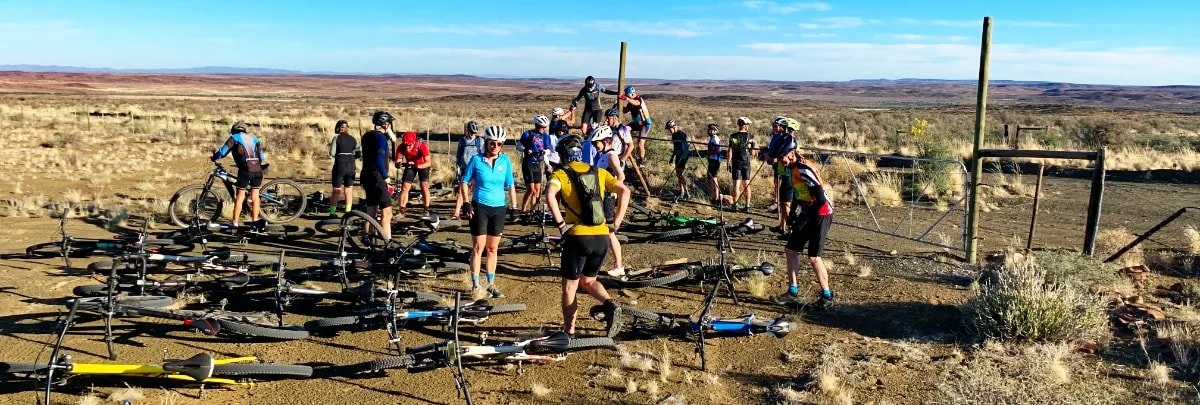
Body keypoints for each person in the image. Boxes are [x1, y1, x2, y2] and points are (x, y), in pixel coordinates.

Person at [546, 133, 628, 337]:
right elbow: (624, 191)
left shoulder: (561, 174)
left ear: (563, 154)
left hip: (577, 237)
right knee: (589, 281)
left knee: (570, 287)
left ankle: (569, 331)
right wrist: (616, 222)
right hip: (601, 237)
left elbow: (549, 195)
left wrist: (561, 225)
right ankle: (610, 305)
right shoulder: (598, 171)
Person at [770, 117, 834, 310]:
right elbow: (800, 194)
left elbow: (820, 199)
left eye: (781, 157)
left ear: (791, 153)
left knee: (814, 257)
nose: (780, 161)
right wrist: (792, 216)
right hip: (809, 212)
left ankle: (827, 296)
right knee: (790, 251)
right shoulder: (792, 169)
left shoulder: (805, 170)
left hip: (821, 214)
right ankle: (792, 292)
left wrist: (802, 219)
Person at [460, 125, 518, 298]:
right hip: (480, 206)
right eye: (492, 143)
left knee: (493, 248)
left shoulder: (505, 161)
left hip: (499, 208)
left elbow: (510, 185)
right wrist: (466, 202)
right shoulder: (476, 160)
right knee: (479, 247)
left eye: (499, 144)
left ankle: (491, 284)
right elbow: (464, 182)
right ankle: (476, 284)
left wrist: (514, 206)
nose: (495, 147)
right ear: (486, 143)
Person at [586, 125, 628, 277]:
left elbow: (621, 176)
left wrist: (615, 190)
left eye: (595, 142)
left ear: (606, 141)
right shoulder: (602, 155)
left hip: (607, 199)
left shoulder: (611, 156)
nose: (594, 145)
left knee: (609, 232)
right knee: (596, 229)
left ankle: (619, 265)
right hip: (599, 197)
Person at [211, 121, 268, 230]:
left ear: (234, 130)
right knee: (255, 197)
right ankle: (255, 221)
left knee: (240, 197)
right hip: (258, 171)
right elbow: (261, 156)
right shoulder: (254, 139)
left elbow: (223, 153)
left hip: (245, 171)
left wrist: (214, 157)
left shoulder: (234, 137)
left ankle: (235, 223)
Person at [360, 111, 395, 241]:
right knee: (387, 212)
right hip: (378, 176)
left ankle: (367, 238)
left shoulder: (367, 135)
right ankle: (387, 241)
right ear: (385, 124)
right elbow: (379, 158)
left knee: (371, 210)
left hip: (366, 175)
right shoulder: (380, 138)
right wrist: (386, 176)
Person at [519, 115, 552, 212]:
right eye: (542, 127)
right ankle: (523, 209)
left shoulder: (546, 136)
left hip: (538, 164)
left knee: (537, 190)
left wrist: (547, 162)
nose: (544, 129)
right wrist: (525, 149)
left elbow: (548, 150)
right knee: (531, 189)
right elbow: (518, 146)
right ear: (537, 125)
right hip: (528, 163)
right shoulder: (528, 134)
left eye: (545, 127)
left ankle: (532, 211)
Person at [327, 120, 360, 215]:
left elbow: (332, 153)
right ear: (347, 128)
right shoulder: (353, 139)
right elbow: (359, 152)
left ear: (337, 128)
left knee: (336, 190)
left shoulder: (336, 138)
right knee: (348, 190)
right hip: (351, 165)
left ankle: (332, 212)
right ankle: (348, 212)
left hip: (340, 165)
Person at [395, 130, 433, 215]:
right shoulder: (401, 147)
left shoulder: (421, 145)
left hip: (422, 165)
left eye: (409, 145)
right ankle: (401, 209)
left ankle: (426, 208)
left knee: (424, 186)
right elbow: (397, 162)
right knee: (405, 187)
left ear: (414, 142)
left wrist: (417, 165)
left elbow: (428, 162)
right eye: (406, 145)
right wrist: (400, 163)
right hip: (410, 165)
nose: (407, 147)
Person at [768, 117, 794, 234]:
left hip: (789, 174)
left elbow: (785, 158)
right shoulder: (785, 139)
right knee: (784, 202)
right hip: (784, 173)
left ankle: (789, 230)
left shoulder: (790, 141)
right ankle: (782, 226)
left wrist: (777, 156)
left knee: (787, 202)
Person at [453, 120, 485, 219]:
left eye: (474, 133)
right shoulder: (462, 141)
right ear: (467, 131)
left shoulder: (480, 141)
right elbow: (459, 154)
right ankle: (456, 212)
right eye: (470, 132)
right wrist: (458, 165)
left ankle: (476, 210)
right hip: (465, 168)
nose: (472, 135)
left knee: (476, 189)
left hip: (476, 168)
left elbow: (483, 154)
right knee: (461, 190)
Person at [726, 117, 756, 213]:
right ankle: (747, 205)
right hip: (746, 162)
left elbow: (730, 150)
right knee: (746, 184)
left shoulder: (733, 136)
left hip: (736, 162)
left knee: (736, 184)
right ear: (745, 125)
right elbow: (753, 153)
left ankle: (735, 205)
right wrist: (753, 147)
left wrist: (728, 162)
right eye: (747, 125)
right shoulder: (750, 136)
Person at [618, 86, 652, 163]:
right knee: (624, 129)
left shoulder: (638, 99)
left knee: (640, 143)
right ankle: (625, 147)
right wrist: (618, 105)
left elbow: (636, 103)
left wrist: (626, 99)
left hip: (645, 124)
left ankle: (641, 160)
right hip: (636, 124)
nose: (627, 96)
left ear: (632, 93)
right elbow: (625, 110)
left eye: (627, 95)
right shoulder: (630, 103)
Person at [666, 120, 692, 200]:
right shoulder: (674, 136)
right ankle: (682, 191)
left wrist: (683, 156)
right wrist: (672, 157)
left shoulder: (681, 134)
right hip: (678, 155)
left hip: (683, 155)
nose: (669, 131)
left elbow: (685, 146)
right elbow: (675, 147)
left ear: (674, 127)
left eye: (669, 129)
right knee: (678, 173)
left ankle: (686, 192)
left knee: (680, 173)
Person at [704, 123, 723, 204]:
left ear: (714, 131)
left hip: (715, 160)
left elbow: (717, 149)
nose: (708, 131)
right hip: (712, 159)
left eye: (710, 130)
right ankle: (712, 196)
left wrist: (709, 152)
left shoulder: (715, 138)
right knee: (710, 178)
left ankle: (716, 197)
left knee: (713, 178)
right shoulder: (712, 138)